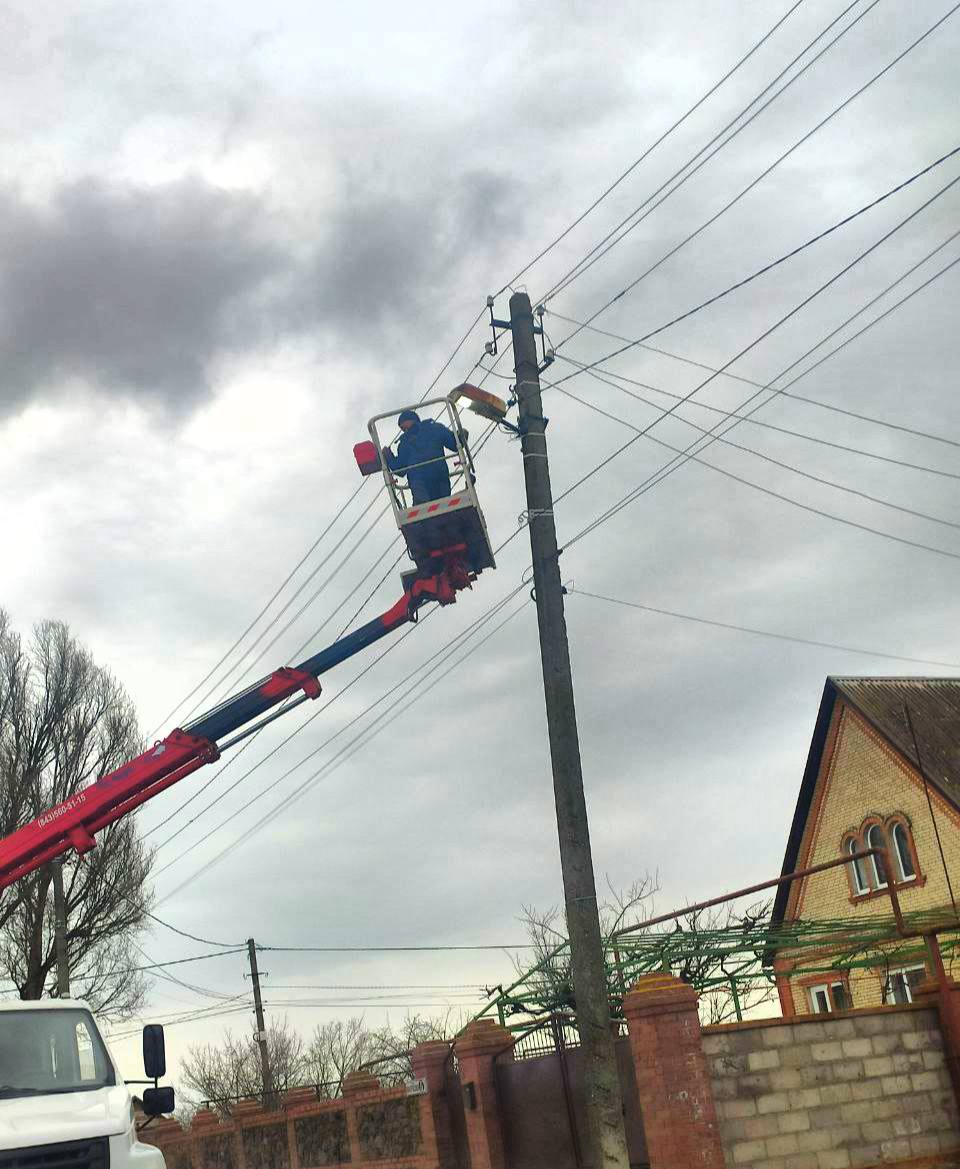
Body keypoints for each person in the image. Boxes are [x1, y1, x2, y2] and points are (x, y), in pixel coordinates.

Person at [383, 410, 462, 504]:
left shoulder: (405, 442)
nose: (404, 430)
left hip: (420, 482)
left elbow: (400, 469)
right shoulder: (435, 428)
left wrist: (388, 456)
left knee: (424, 506)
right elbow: (454, 444)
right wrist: (461, 435)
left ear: (410, 420)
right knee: (444, 504)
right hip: (440, 477)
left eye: (404, 427)